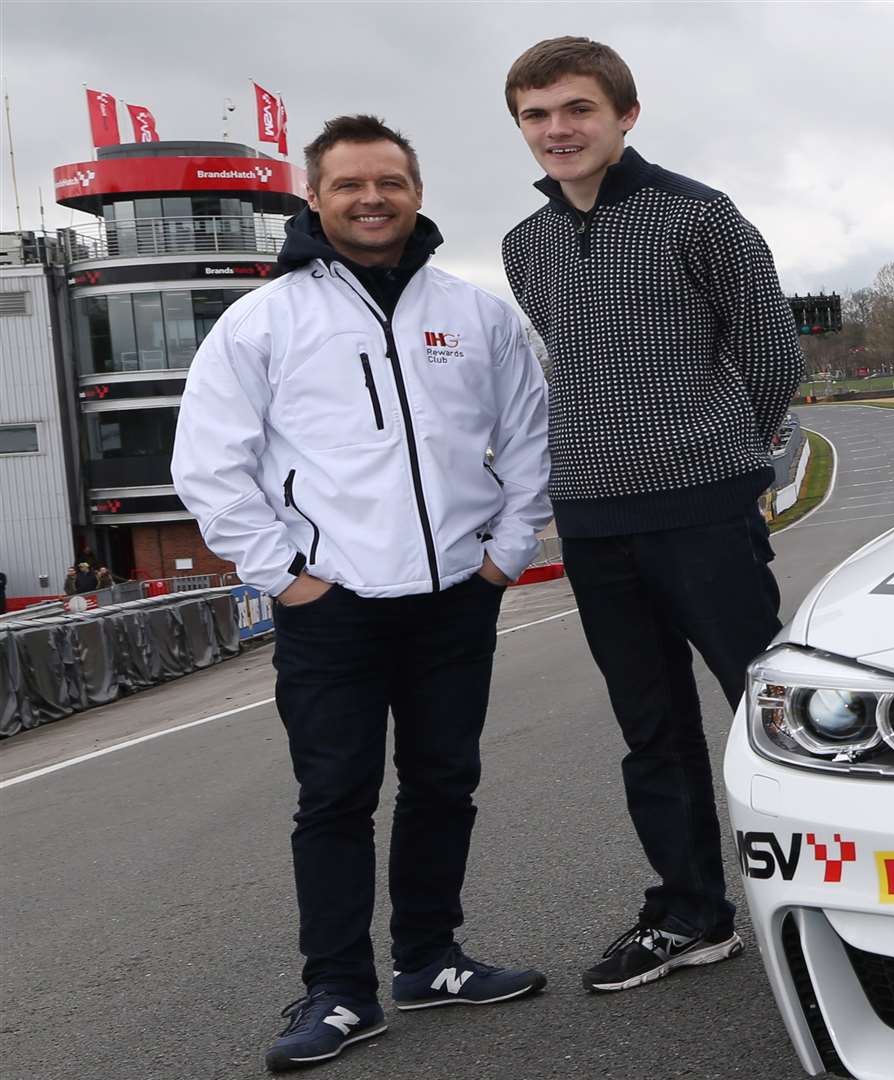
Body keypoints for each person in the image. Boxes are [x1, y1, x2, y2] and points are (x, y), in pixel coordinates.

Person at [172, 114, 553, 1072]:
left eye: (389, 181)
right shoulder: (263, 319)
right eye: (349, 184)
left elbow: (531, 435)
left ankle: (430, 959)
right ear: (316, 198)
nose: (371, 198)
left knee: (443, 783)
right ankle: (339, 991)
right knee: (335, 798)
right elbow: (212, 466)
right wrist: (286, 579)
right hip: (330, 608)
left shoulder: (476, 313)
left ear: (417, 192)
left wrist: (503, 556)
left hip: (454, 598)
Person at [500, 37, 803, 992]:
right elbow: (571, 368)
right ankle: (691, 914)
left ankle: (835, 895)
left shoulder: (699, 216)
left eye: (576, 109)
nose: (558, 130)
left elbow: (771, 352)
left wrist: (723, 460)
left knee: (770, 712)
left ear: (624, 116)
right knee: (651, 729)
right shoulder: (526, 244)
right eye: (537, 115)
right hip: (592, 519)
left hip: (703, 511)